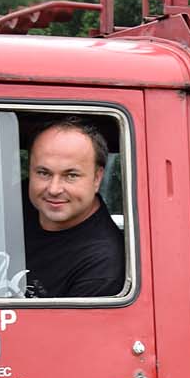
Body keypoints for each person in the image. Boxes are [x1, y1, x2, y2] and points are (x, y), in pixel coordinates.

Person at [22, 119, 126, 298]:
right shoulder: (17, 200)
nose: (54, 189)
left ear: (97, 178)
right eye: (43, 173)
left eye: (71, 175)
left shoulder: (102, 266)